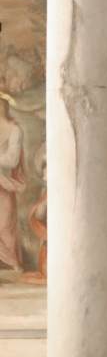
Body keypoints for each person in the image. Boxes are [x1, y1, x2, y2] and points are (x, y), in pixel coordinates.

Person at [0, 95, 26, 273]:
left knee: (4, 226)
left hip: (4, 182)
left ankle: (12, 263)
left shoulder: (14, 130)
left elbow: (12, 160)